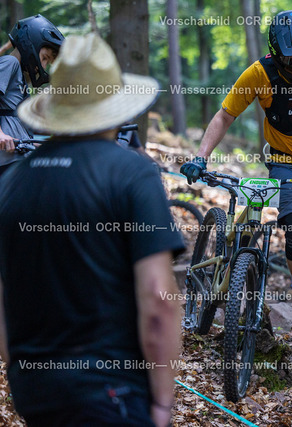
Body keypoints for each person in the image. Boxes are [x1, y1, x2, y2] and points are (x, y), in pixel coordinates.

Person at [0, 34, 184, 427]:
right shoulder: (133, 173)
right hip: (113, 392)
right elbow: (159, 298)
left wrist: (19, 374)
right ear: (113, 106)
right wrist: (164, 405)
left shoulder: (11, 182)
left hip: (35, 392)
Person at [181, 10, 292, 333]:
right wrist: (201, 157)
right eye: (288, 60)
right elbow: (224, 116)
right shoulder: (259, 74)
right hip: (284, 163)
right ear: (275, 52)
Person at [0, 14, 64, 175]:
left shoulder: (21, 80)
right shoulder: (10, 63)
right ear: (31, 45)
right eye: (44, 58)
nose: (42, 66)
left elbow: (21, 133)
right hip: (5, 163)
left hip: (17, 160)